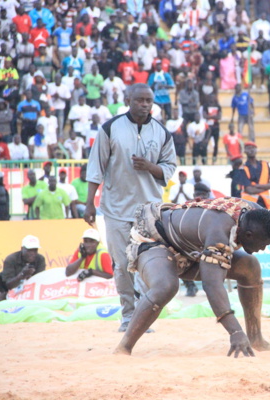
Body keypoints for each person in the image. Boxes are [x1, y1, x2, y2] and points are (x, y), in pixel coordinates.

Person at [113, 196, 270, 356]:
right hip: (156, 239)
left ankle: (256, 338)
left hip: (193, 248)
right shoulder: (219, 233)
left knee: (251, 267)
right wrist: (234, 332)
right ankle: (124, 347)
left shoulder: (259, 217)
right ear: (248, 235)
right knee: (166, 286)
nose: (266, 248)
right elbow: (213, 286)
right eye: (264, 244)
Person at [84, 84, 177, 333]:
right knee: (122, 265)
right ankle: (127, 316)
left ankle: (142, 318)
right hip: (114, 209)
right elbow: (96, 167)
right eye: (139, 100)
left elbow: (169, 168)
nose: (144, 105)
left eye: (149, 101)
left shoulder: (162, 132)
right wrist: (89, 203)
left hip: (149, 212)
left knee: (147, 265)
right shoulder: (110, 128)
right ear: (128, 100)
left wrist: (150, 166)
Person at [0, 235, 45, 305]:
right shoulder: (11, 259)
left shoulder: (40, 260)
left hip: (13, 293)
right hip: (0, 282)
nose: (32, 253)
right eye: (29, 250)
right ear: (22, 249)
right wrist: (22, 275)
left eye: (35, 250)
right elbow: (8, 284)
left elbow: (39, 283)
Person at [238, 142, 270, 209]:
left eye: (253, 148)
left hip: (265, 204)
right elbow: (249, 190)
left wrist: (257, 186)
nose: (251, 150)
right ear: (245, 151)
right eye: (249, 148)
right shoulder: (242, 168)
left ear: (256, 150)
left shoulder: (265, 164)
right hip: (250, 205)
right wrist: (267, 187)